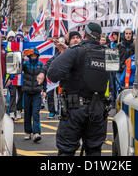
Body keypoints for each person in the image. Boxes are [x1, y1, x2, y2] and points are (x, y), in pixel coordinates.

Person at [46, 22, 110, 156]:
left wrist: (68, 53)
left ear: (84, 34)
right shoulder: (109, 54)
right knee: (94, 150)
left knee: (66, 150)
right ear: (99, 37)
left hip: (75, 109)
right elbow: (112, 74)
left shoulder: (75, 51)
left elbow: (52, 74)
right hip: (98, 110)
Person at [21, 48, 46, 142]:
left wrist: (44, 90)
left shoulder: (41, 65)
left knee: (36, 113)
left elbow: (44, 78)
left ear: (37, 56)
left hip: (37, 93)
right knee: (27, 113)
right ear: (29, 56)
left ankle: (36, 133)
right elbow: (18, 67)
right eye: (31, 55)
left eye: (35, 55)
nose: (33, 57)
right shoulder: (25, 64)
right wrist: (22, 57)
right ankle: (28, 132)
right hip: (27, 92)